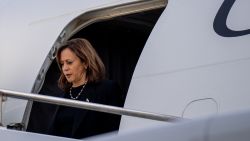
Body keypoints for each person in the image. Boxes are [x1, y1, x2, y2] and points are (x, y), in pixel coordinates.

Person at [46, 38, 124, 139]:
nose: (65, 68)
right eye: (62, 64)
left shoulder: (107, 89)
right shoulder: (63, 94)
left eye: (69, 62)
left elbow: (115, 132)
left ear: (85, 63)